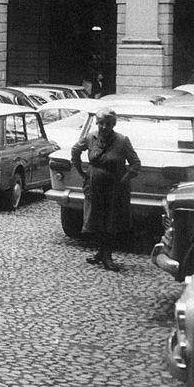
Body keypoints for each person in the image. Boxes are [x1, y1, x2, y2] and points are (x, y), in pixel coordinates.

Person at [70, 107, 141, 271]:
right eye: (101, 123)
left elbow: (136, 164)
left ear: (113, 125)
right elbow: (75, 150)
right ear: (97, 123)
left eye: (108, 124)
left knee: (111, 221)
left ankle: (107, 255)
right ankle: (100, 253)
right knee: (96, 219)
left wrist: (124, 179)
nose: (104, 127)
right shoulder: (90, 137)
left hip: (115, 188)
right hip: (94, 186)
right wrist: (81, 171)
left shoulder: (122, 141)